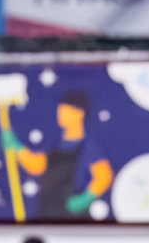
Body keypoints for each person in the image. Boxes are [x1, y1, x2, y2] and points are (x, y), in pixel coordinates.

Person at [8, 90, 114, 220]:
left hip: (72, 217)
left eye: (65, 111)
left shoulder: (88, 147)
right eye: (60, 111)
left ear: (80, 113)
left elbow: (104, 176)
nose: (60, 115)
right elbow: (37, 166)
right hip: (46, 211)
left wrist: (85, 198)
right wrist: (16, 147)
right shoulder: (55, 144)